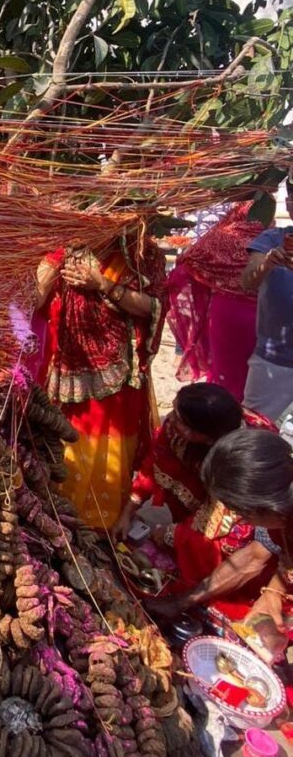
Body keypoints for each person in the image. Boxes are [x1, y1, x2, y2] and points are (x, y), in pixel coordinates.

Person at [36, 231, 167, 531]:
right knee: (65, 441)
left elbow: (155, 307)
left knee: (109, 448)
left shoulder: (143, 254)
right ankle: (58, 519)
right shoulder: (65, 247)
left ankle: (101, 524)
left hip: (119, 374)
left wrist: (103, 285)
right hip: (69, 368)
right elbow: (35, 298)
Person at [112, 383, 276, 618]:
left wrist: (172, 534)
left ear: (205, 437)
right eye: (174, 410)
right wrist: (129, 510)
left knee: (206, 548)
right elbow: (155, 461)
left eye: (179, 419)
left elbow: (216, 521)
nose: (170, 419)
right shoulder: (179, 427)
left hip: (237, 508)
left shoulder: (244, 467)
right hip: (212, 484)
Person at [167, 202, 266, 400]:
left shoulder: (223, 237)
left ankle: (223, 410)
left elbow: (186, 267)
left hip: (227, 313)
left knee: (226, 373)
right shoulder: (273, 240)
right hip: (266, 315)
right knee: (254, 377)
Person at [201, 428, 293, 632]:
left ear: (273, 509)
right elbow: (256, 555)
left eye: (243, 513)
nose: (242, 520)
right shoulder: (283, 504)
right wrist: (274, 590)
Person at [240, 182, 293, 422]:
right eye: (291, 198)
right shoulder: (272, 239)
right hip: (273, 359)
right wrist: (267, 264)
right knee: (256, 427)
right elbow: (247, 282)